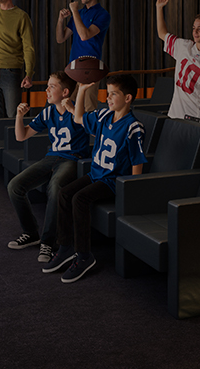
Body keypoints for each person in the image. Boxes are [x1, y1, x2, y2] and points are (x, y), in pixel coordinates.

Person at [42, 74, 146, 283]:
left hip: (112, 181)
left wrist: (133, 192)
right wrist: (81, 90)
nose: (108, 98)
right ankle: (65, 247)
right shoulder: (105, 115)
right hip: (95, 174)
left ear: (128, 98)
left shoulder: (133, 126)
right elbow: (78, 118)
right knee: (64, 193)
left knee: (79, 199)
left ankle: (84, 256)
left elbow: (137, 162)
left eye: (113, 94)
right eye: (107, 94)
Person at [6, 71, 90, 263]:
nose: (47, 90)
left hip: (72, 159)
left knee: (55, 187)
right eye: (47, 86)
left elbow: (93, 129)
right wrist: (19, 116)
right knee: (15, 186)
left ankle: (48, 242)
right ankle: (30, 233)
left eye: (52, 86)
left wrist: (73, 110)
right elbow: (21, 136)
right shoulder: (47, 112)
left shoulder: (77, 111)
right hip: (51, 158)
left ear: (65, 92)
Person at [155, 0, 200, 129]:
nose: (195, 32)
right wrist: (159, 8)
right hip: (175, 114)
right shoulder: (184, 46)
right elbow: (162, 34)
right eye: (194, 28)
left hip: (196, 118)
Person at [55, 0, 110, 111]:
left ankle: (89, 126)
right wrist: (61, 19)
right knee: (67, 106)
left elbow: (85, 36)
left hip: (90, 68)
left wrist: (74, 11)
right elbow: (60, 39)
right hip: (73, 67)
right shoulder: (79, 14)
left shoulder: (102, 14)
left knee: (88, 108)